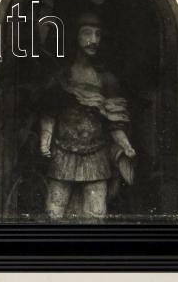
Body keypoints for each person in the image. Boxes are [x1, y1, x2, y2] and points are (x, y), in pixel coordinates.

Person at [38, 11, 136, 220]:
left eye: (98, 34)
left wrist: (125, 144)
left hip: (96, 154)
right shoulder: (62, 77)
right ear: (74, 36)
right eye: (87, 33)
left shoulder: (106, 79)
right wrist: (45, 139)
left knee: (96, 212)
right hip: (63, 152)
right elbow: (49, 112)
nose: (94, 40)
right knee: (55, 210)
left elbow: (115, 121)